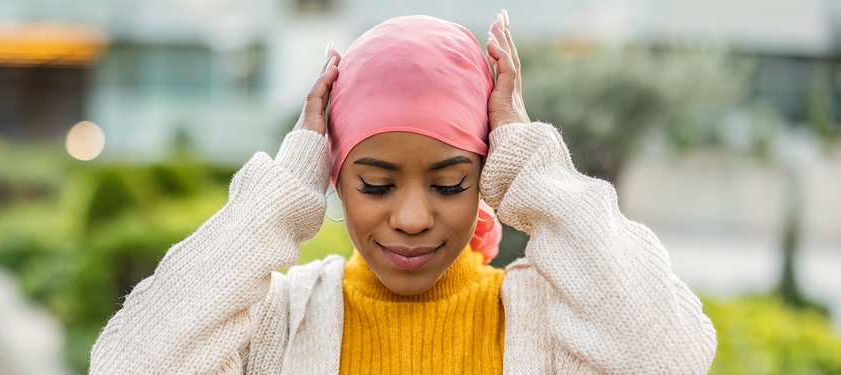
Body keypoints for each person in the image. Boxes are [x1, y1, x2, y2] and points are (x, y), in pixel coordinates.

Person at [90, 12, 716, 374]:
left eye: (448, 183)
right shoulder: (279, 323)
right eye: (376, 183)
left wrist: (532, 165)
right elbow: (129, 365)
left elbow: (673, 357)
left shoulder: (546, 325)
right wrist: (284, 187)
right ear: (333, 175)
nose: (412, 217)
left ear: (486, 174)